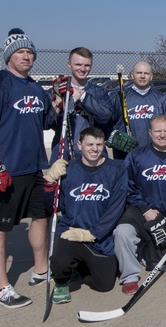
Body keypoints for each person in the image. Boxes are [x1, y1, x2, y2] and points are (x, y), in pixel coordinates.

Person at [0, 28, 58, 308]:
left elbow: (48, 121)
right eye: (21, 52)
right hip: (5, 171)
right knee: (0, 228)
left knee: (40, 218)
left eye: (30, 53)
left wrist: (57, 99)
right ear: (9, 55)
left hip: (35, 167)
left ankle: (41, 269)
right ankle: (1, 287)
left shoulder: (34, 87)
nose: (26, 57)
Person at [113, 115, 166, 293]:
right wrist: (144, 209)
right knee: (122, 233)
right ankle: (129, 275)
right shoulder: (135, 157)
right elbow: (128, 188)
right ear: (150, 133)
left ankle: (147, 252)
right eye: (158, 131)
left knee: (161, 262)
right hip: (142, 214)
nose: (162, 135)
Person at [46, 126, 129, 304]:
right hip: (72, 232)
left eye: (99, 144)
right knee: (61, 258)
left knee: (105, 285)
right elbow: (51, 206)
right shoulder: (68, 170)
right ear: (79, 145)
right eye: (89, 144)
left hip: (100, 238)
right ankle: (62, 281)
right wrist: (49, 183)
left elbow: (116, 207)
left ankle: (81, 266)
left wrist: (94, 233)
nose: (95, 149)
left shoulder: (117, 169)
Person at [48, 47, 115, 161]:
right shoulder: (58, 91)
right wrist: (65, 101)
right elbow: (49, 121)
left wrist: (84, 98)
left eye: (87, 65)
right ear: (69, 65)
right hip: (63, 152)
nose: (83, 69)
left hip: (93, 154)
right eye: (78, 64)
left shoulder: (98, 92)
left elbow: (106, 116)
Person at [111, 60, 164, 157]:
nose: (142, 76)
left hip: (153, 154)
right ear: (132, 75)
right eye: (139, 73)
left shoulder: (161, 99)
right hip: (125, 155)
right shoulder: (119, 97)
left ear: (151, 76)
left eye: (146, 73)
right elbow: (109, 123)